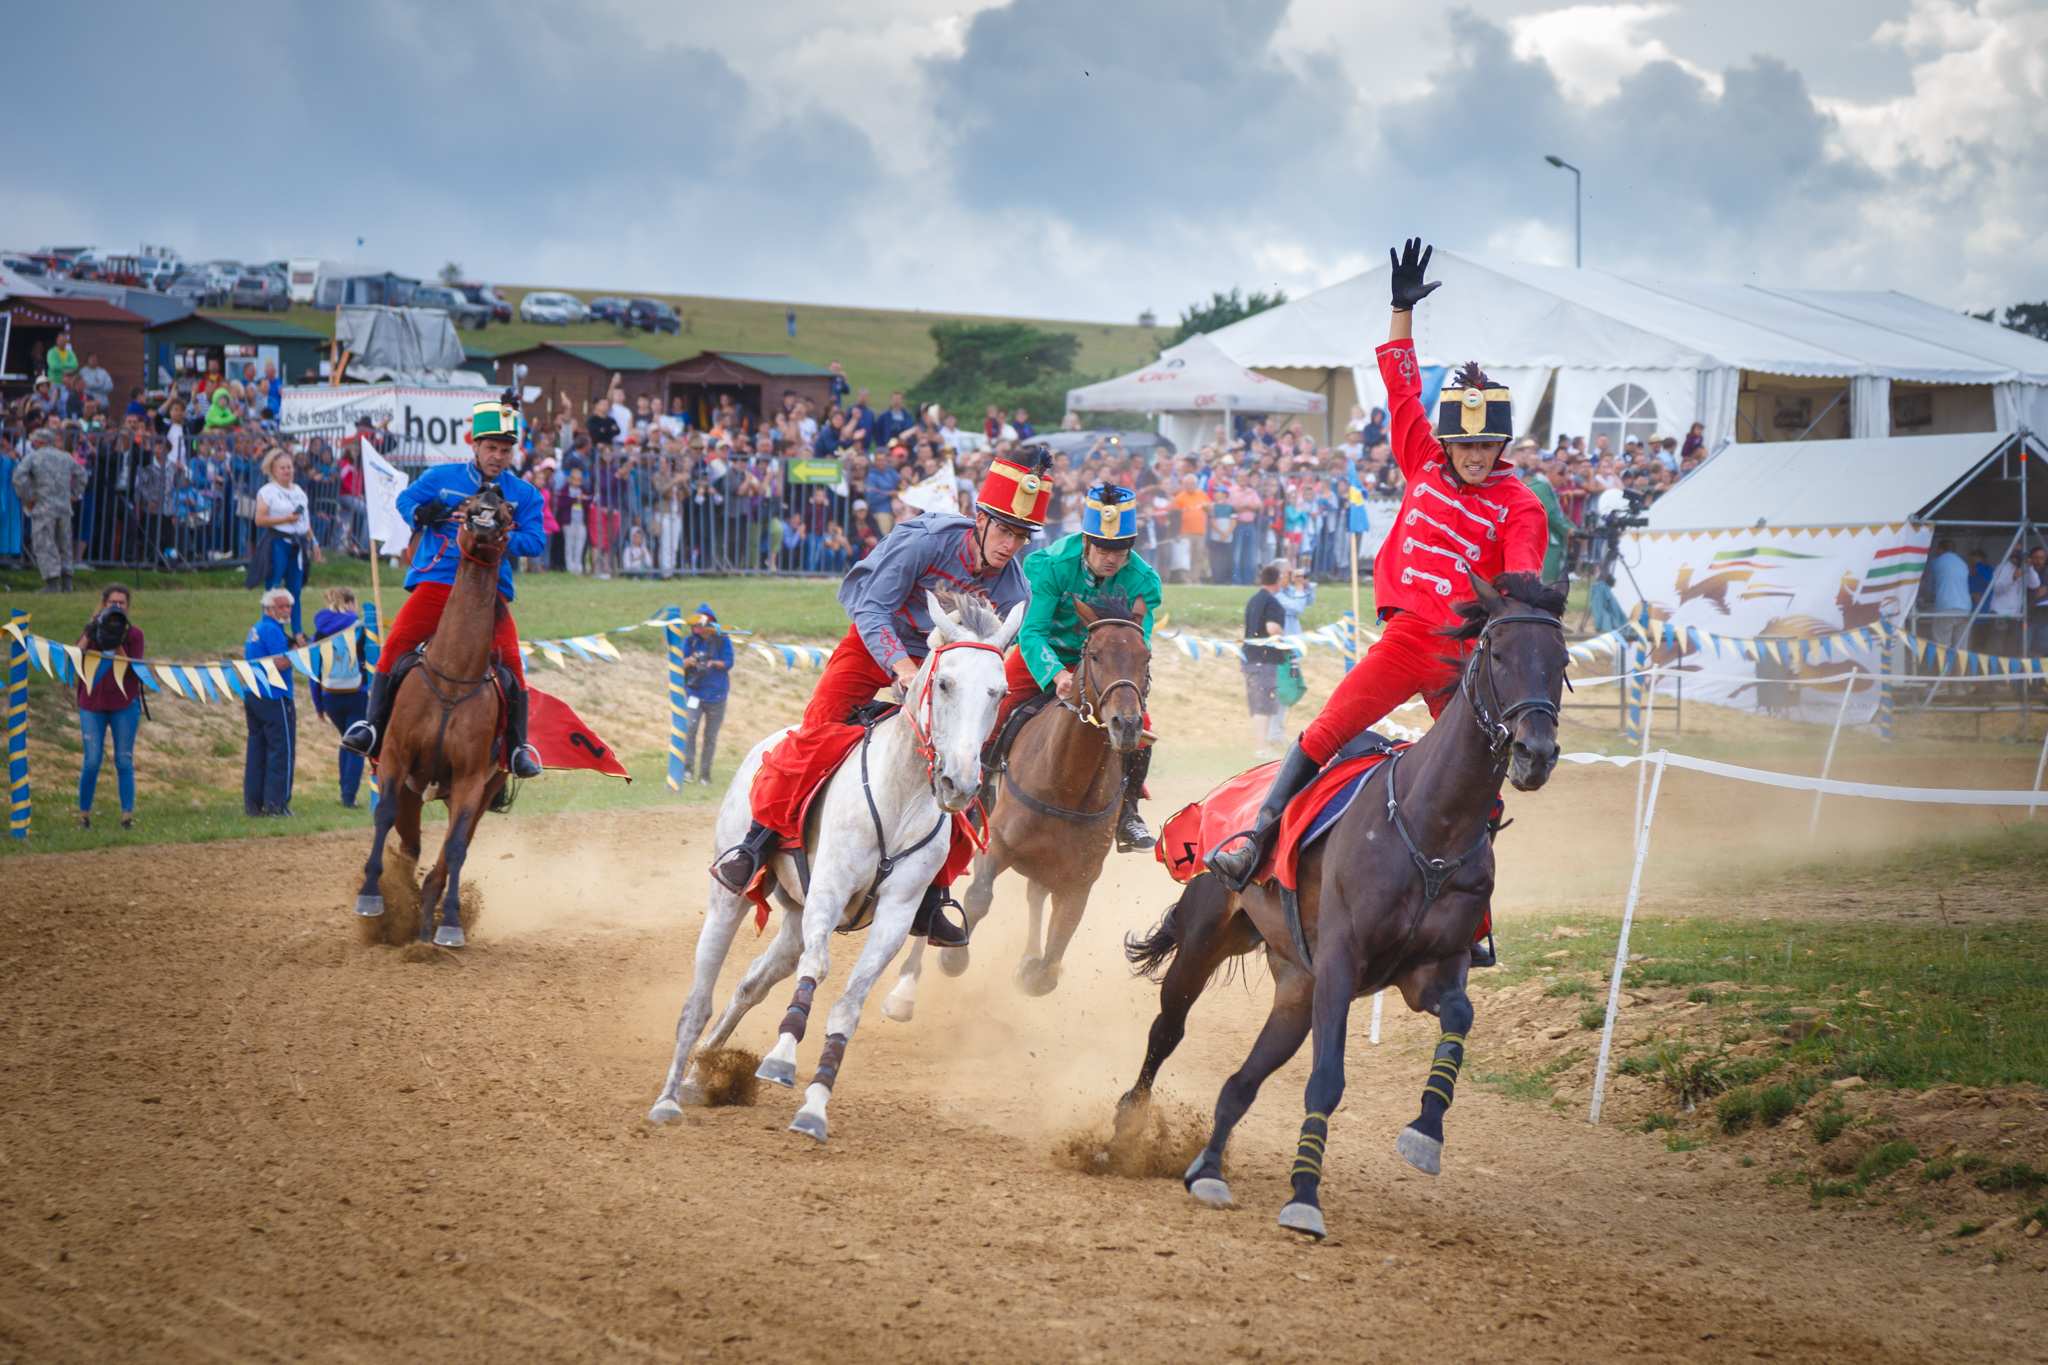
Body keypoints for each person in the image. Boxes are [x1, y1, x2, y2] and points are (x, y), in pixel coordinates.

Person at [1206, 240, 1549, 969]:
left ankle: (1474, 918)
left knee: (1477, 787)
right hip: (1405, 643)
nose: (1476, 455)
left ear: (1502, 443)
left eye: (1488, 443)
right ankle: (1254, 840)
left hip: (1466, 664)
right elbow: (1399, 385)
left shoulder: (1520, 504)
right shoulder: (1422, 455)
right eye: (1466, 442)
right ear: (1449, 440)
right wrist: (1400, 312)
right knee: (1327, 730)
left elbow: (1519, 580)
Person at [710, 450, 1051, 946]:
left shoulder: (1013, 587)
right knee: (817, 733)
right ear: (980, 519)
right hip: (876, 645)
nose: (1010, 545)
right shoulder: (927, 542)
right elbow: (871, 606)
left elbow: (983, 659)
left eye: (1021, 537)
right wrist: (901, 666)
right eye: (1003, 530)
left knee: (959, 765)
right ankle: (756, 842)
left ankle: (932, 896)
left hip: (938, 671)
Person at [340, 395, 549, 780]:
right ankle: (370, 728)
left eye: (505, 450)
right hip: (439, 581)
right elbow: (406, 500)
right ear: (475, 445)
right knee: (398, 641)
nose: (498, 456)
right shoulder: (441, 478)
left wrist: (502, 537)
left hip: (489, 592)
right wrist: (422, 514)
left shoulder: (526, 495)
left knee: (513, 663)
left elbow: (536, 542)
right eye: (491, 448)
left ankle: (518, 747)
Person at [1001, 483, 1163, 852]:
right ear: (1087, 542)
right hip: (1048, 654)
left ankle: (1129, 813)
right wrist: (1056, 674)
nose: (1111, 559)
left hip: (1106, 663)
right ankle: (980, 793)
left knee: (1141, 724)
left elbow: (1141, 641)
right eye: (1103, 549)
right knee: (997, 705)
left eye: (1120, 551)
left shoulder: (1142, 580)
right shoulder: (1052, 565)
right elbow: (1033, 632)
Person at [75, 582, 143, 831]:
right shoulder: (94, 629)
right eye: (113, 603)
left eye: (122, 603)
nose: (117, 607)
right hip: (92, 702)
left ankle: (126, 818)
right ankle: (84, 817)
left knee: (124, 760)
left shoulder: (134, 634)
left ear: (128, 606)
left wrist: (117, 640)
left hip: (123, 702)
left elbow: (129, 668)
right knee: (91, 760)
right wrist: (92, 631)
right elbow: (75, 655)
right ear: (104, 604)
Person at [244, 588, 301, 817]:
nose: (286, 610)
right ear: (268, 608)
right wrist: (298, 652)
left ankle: (253, 805)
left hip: (253, 692)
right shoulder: (273, 630)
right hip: (275, 696)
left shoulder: (257, 628)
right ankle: (277, 806)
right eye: (281, 606)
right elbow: (280, 663)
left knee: (256, 752)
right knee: (281, 751)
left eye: (288, 606)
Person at [248, 448, 318, 634]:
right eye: (282, 468)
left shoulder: (299, 491)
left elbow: (305, 519)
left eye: (289, 467)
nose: (287, 471)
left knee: (295, 589)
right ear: (273, 470)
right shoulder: (268, 491)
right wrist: (285, 519)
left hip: (298, 543)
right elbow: (260, 519)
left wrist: (314, 540)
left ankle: (297, 632)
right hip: (278, 541)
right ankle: (270, 628)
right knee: (273, 587)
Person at [12, 428, 90, 592]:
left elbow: (18, 478)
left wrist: (27, 497)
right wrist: (72, 494)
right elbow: (82, 475)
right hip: (64, 508)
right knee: (64, 544)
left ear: (39, 442)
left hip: (43, 508)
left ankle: (51, 584)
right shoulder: (65, 457)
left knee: (45, 544)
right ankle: (67, 583)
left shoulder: (33, 457)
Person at [312, 586, 367, 808]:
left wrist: (318, 703)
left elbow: (313, 670)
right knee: (357, 743)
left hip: (330, 695)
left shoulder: (319, 631)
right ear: (350, 603)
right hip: (358, 693)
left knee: (346, 740)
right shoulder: (360, 628)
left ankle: (345, 791)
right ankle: (349, 797)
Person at [679, 605, 734, 785]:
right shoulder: (689, 642)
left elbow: (729, 662)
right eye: (699, 628)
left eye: (705, 628)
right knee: (689, 729)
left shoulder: (723, 641)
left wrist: (712, 663)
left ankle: (705, 773)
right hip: (694, 693)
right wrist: (690, 661)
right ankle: (688, 768)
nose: (702, 632)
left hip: (718, 696)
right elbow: (679, 663)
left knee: (710, 736)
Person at [1241, 563, 1289, 759]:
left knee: (1258, 704)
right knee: (1265, 704)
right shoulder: (1272, 603)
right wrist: (1286, 637)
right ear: (1277, 581)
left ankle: (1261, 745)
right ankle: (1261, 748)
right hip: (1265, 660)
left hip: (1249, 659)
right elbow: (1271, 628)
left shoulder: (1253, 600)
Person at [1516, 440, 1573, 580]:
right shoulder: (1541, 488)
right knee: (1546, 578)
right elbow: (1551, 514)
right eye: (1564, 477)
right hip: (1542, 539)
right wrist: (1569, 530)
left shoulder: (1546, 487)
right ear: (1555, 474)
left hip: (1545, 537)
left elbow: (1557, 513)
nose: (1565, 482)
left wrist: (1574, 528)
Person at [1924, 538, 1971, 651]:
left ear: (1940, 549)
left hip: (1945, 608)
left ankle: (1945, 669)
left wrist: (1924, 578)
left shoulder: (1935, 562)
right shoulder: (1963, 563)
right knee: (1961, 649)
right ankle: (1960, 669)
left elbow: (1929, 589)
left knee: (1942, 647)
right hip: (1965, 608)